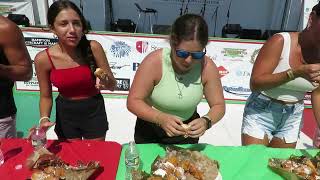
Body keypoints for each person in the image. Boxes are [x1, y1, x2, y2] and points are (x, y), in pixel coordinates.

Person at [127, 14, 225, 144]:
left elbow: (218, 105)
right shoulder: (154, 62)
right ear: (173, 43)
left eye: (197, 55)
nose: (189, 60)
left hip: (187, 134)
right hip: (151, 131)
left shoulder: (207, 67)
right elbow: (133, 101)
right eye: (182, 53)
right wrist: (160, 118)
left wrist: (206, 121)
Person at [34, 0, 116, 141]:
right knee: (71, 159)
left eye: (76, 23)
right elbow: (45, 96)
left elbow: (112, 85)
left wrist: (106, 81)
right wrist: (44, 119)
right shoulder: (43, 59)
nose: (72, 29)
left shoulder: (94, 48)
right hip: (65, 114)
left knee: (95, 157)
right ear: (52, 28)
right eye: (64, 24)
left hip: (94, 110)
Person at [241, 3, 320, 148]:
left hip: (293, 115)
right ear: (312, 18)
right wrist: (296, 72)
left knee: (281, 168)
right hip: (261, 109)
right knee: (254, 164)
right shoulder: (280, 41)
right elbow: (255, 83)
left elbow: (317, 93)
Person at [0, 16, 32, 138]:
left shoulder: (5, 28)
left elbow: (26, 71)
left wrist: (1, 69)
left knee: (5, 157)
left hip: (1, 115)